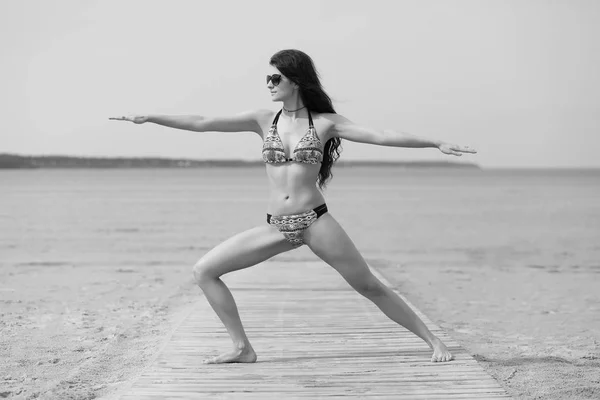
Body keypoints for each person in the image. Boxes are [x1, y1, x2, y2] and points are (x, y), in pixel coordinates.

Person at [110, 49, 476, 364]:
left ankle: (433, 341)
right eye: (267, 77)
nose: (269, 83)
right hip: (276, 226)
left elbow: (380, 135)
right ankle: (242, 348)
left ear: (295, 80)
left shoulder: (326, 122)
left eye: (275, 77)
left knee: (369, 285)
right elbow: (203, 123)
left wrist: (434, 142)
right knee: (204, 271)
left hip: (316, 222)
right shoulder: (262, 119)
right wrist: (152, 117)